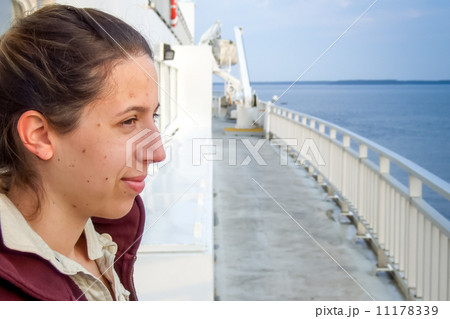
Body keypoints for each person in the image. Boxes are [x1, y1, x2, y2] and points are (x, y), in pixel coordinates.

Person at [0, 4, 165, 300]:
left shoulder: (106, 240)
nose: (158, 152)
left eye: (153, 117)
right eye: (129, 121)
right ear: (39, 136)